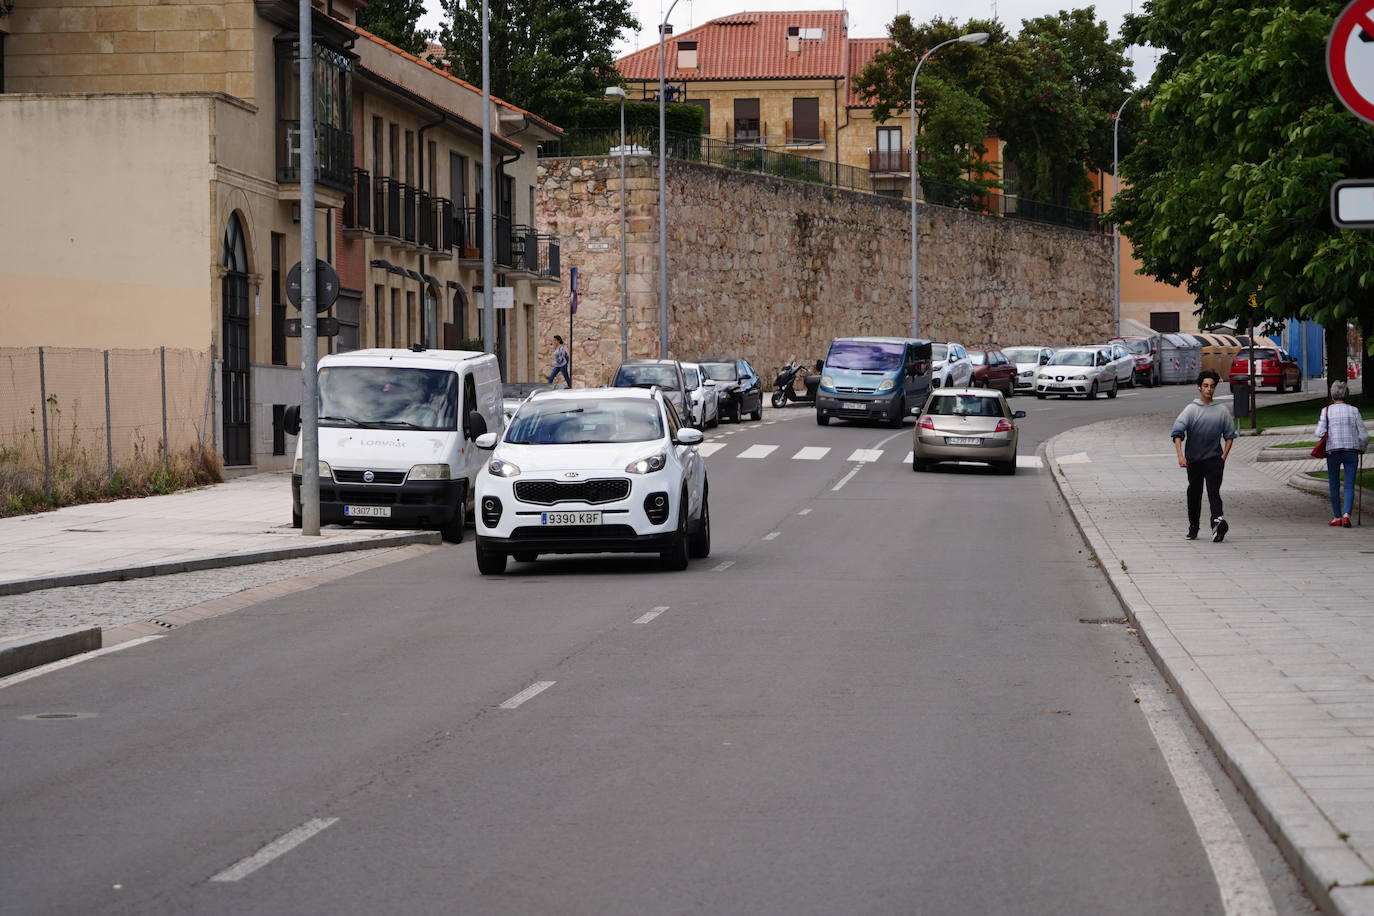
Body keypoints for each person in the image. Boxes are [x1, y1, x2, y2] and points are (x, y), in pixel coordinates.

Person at [1171, 369, 1237, 542]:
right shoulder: (1191, 410)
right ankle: (1193, 528)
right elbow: (1177, 433)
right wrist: (1180, 456)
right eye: (1206, 386)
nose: (1209, 389)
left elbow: (1230, 436)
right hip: (1194, 461)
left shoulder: (1221, 411)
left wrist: (1223, 457)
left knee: (1214, 492)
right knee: (1194, 493)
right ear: (1199, 387)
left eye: (1212, 386)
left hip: (1214, 460)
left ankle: (1217, 523)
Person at [1315, 379, 1369, 527]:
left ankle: (1337, 516)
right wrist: (1362, 448)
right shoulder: (1354, 410)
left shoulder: (1326, 411)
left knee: (1334, 485)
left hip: (1333, 452)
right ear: (1346, 395)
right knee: (1349, 485)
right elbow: (1364, 436)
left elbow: (1319, 432)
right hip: (1351, 451)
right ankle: (1347, 515)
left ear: (1332, 395)